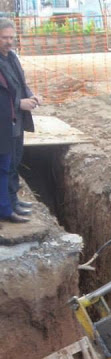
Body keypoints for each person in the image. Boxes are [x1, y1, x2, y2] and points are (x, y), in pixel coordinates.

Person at [0, 18, 41, 218]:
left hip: (16, 122)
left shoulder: (12, 57)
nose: (9, 41)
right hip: (3, 124)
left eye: (11, 37)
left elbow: (21, 84)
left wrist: (31, 96)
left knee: (15, 161)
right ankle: (5, 209)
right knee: (4, 166)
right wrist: (19, 104)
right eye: (4, 37)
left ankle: (13, 201)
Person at [1, 66, 27, 224]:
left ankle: (6, 210)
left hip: (5, 126)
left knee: (4, 168)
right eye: (5, 38)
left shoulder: (7, 62)